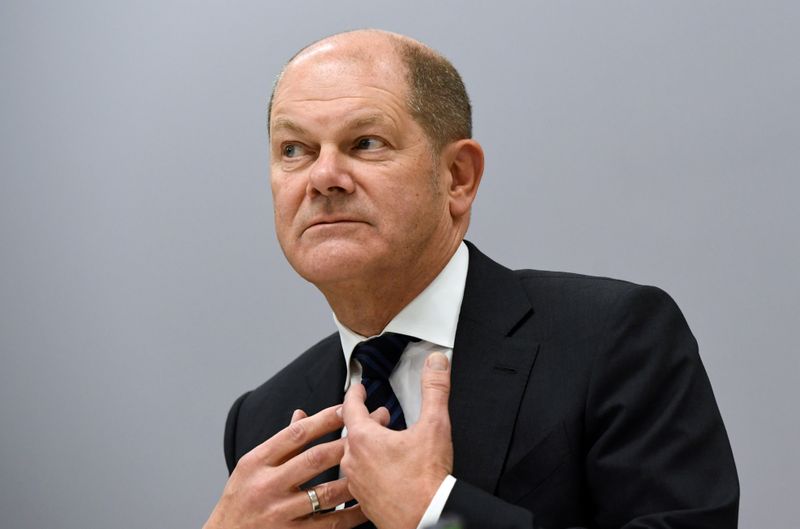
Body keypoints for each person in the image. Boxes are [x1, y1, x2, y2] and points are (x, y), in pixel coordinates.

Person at [203, 29, 739, 529]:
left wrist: (436, 513)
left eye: (366, 142)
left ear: (457, 177)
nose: (323, 177)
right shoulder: (262, 422)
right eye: (293, 150)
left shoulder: (613, 340)